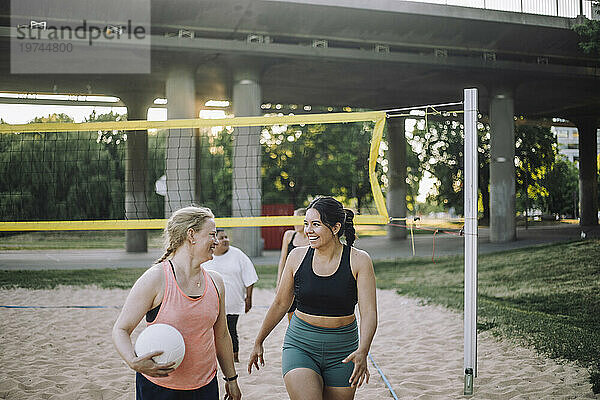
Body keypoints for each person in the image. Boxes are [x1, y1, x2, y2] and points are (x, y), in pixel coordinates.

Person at [248, 196, 378, 400]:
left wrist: (363, 350)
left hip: (344, 350)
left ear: (335, 228)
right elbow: (281, 303)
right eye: (306, 224)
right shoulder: (297, 257)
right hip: (301, 345)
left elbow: (369, 312)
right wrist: (259, 340)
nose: (308, 230)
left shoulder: (359, 260)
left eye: (315, 224)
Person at [112, 206, 242, 400]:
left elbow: (222, 335)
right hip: (159, 387)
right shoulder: (156, 278)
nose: (216, 241)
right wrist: (133, 361)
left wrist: (231, 379)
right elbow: (121, 329)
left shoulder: (216, 281)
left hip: (205, 386)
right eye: (212, 234)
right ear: (192, 235)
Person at [203, 228, 259, 363]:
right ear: (214, 241)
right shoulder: (206, 256)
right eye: (221, 238)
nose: (225, 240)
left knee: (230, 330)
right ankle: (213, 359)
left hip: (233, 301)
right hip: (211, 303)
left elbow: (250, 277)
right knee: (211, 332)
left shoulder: (237, 254)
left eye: (226, 237)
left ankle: (234, 359)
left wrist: (248, 298)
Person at [276, 208, 310, 321]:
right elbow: (283, 259)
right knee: (290, 313)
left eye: (296, 219)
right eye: (292, 219)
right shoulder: (289, 235)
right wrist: (279, 281)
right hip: (291, 279)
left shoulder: (312, 237)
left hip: (307, 280)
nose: (294, 222)